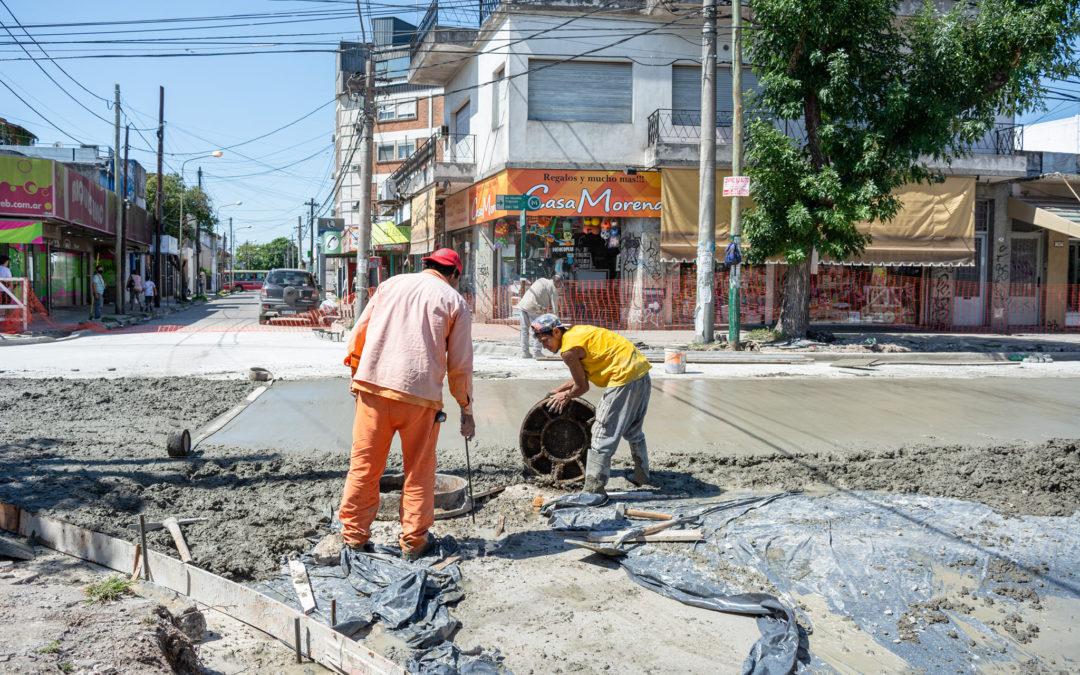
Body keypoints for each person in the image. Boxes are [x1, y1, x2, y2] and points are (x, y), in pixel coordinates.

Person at [340, 247, 475, 560]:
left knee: (364, 466)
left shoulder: (390, 285)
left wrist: (356, 373)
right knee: (418, 471)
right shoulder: (454, 301)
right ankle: (413, 544)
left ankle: (354, 539)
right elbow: (460, 366)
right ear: (455, 274)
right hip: (419, 396)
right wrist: (465, 408)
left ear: (426, 265)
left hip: (373, 386)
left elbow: (358, 335)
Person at [532, 314, 652, 496]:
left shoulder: (568, 351)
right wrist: (558, 390)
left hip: (623, 378)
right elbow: (582, 375)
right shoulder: (576, 333)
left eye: (545, 340)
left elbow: (582, 386)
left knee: (601, 433)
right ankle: (642, 476)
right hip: (640, 372)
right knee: (633, 429)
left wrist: (567, 396)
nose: (545, 347)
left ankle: (593, 490)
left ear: (556, 332)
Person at [518, 273, 563, 359]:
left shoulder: (542, 280)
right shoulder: (552, 288)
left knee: (524, 330)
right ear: (557, 282)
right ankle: (537, 352)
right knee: (539, 330)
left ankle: (525, 352)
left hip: (523, 304)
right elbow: (555, 309)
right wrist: (557, 323)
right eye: (560, 284)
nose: (559, 286)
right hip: (534, 307)